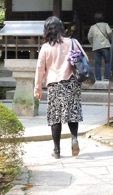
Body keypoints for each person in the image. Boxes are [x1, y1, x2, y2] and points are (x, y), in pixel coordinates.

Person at [34, 16, 86, 159]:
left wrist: (37, 88)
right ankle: (74, 137)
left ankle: (56, 150)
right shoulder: (72, 42)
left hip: (54, 84)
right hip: (72, 82)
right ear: (62, 28)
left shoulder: (45, 47)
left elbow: (40, 69)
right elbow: (85, 59)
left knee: (55, 117)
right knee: (72, 112)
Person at [87, 12, 112, 81]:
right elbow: (109, 32)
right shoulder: (105, 25)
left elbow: (89, 36)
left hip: (96, 47)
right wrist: (110, 38)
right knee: (107, 61)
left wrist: (92, 43)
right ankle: (106, 76)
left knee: (97, 63)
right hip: (105, 45)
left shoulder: (92, 27)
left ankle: (98, 77)